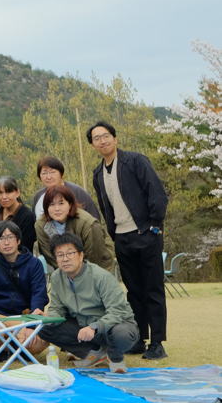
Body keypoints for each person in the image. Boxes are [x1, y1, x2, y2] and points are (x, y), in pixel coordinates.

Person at [88, 120, 170, 360]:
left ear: (115, 138)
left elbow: (157, 193)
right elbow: (105, 206)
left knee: (153, 289)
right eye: (96, 138)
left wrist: (154, 226)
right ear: (92, 145)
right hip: (122, 238)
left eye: (105, 136)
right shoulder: (97, 173)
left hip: (146, 233)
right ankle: (139, 339)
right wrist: (114, 234)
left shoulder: (135, 161)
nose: (102, 141)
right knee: (133, 291)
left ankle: (157, 343)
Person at [38, 232, 139, 374]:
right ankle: (95, 352)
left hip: (112, 326)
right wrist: (48, 318)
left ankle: (115, 356)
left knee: (122, 334)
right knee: (44, 328)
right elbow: (57, 308)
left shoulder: (101, 276)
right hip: (83, 327)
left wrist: (94, 327)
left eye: (70, 253)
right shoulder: (56, 277)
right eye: (60, 255)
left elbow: (118, 311)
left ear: (81, 255)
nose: (65, 259)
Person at [0, 221, 48, 352]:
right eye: (1, 238)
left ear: (18, 240)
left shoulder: (34, 263)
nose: (6, 242)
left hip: (25, 317)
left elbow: (39, 294)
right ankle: (11, 347)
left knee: (38, 341)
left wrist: (31, 324)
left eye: (10, 237)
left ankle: (15, 346)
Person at [35, 184, 115, 272]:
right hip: (63, 269)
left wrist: (79, 273)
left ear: (70, 204)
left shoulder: (87, 223)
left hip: (98, 266)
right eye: (52, 204)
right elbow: (50, 256)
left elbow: (95, 256)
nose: (57, 209)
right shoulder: (41, 225)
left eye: (61, 203)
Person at [31, 156, 100, 220]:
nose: (48, 177)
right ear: (39, 176)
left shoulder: (77, 192)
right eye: (44, 173)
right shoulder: (38, 197)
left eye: (52, 172)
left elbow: (94, 218)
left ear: (61, 174)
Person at [0, 176, 36, 254]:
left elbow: (26, 246)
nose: (4, 197)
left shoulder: (27, 216)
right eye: (0, 193)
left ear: (17, 193)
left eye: (8, 192)